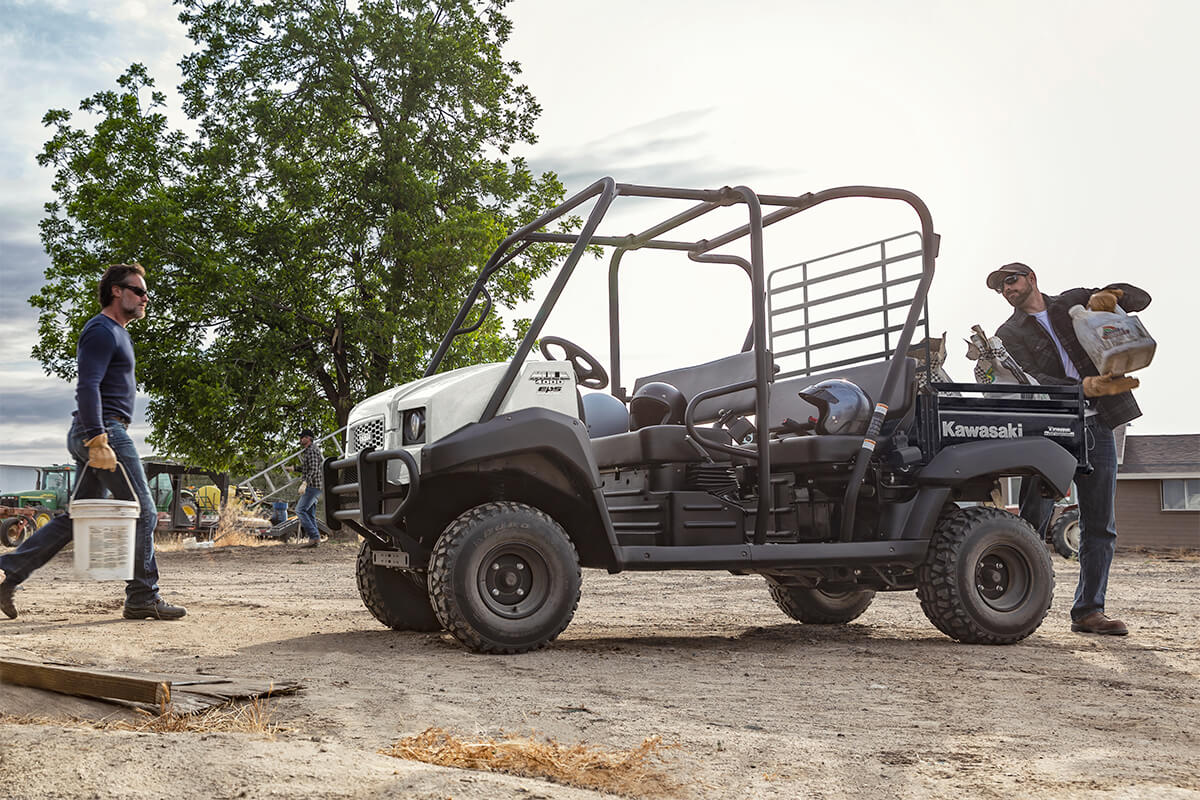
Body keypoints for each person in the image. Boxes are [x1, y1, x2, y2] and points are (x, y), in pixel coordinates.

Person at [1, 264, 186, 621]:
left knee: (78, 517)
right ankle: (143, 596)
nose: (146, 298)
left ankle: (9, 571)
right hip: (103, 432)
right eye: (139, 290)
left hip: (97, 430)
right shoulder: (101, 330)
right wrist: (98, 436)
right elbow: (87, 385)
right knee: (143, 511)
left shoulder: (117, 332)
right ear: (117, 291)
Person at [987, 262, 1151, 636]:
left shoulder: (1073, 302)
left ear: (1030, 278)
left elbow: (1142, 301)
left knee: (1100, 525)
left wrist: (1115, 295)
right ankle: (1014, 605)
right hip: (1053, 427)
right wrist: (1083, 388)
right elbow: (1031, 379)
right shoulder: (1008, 333)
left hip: (1100, 423)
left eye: (1011, 280)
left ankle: (1089, 612)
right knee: (1032, 520)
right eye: (1000, 287)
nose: (1006, 289)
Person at [293, 429, 323, 548]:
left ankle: (314, 537)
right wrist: (295, 469)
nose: (301, 439)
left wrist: (305, 483)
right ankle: (315, 540)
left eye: (303, 437)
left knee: (300, 510)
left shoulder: (312, 451)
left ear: (309, 438)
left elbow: (314, 470)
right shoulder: (309, 451)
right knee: (310, 514)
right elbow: (308, 468)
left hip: (312, 486)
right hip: (314, 486)